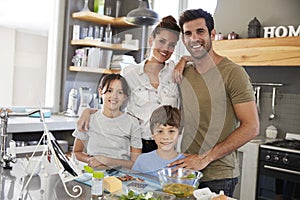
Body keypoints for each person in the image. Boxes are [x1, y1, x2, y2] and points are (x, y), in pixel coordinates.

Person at [169, 8, 260, 197]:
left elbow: (252, 127)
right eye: (188, 33)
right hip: (187, 171)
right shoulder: (184, 73)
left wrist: (204, 158)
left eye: (200, 31)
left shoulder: (233, 73)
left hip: (219, 175)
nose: (194, 38)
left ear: (212, 34)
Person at [77, 15, 182, 153]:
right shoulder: (130, 74)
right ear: (151, 40)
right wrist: (88, 111)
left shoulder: (176, 72)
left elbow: (202, 58)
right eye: (162, 41)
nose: (166, 48)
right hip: (137, 145)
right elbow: (115, 108)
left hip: (168, 146)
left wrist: (185, 59)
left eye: (172, 45)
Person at [72, 74, 142, 169]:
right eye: (109, 91)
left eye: (120, 92)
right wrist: (90, 160)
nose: (114, 96)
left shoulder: (133, 123)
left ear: (125, 97)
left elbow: (135, 163)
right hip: (93, 174)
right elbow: (77, 152)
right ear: (100, 92)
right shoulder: (89, 119)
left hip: (120, 176)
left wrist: (106, 161)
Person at [132, 105, 184, 177]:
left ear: (179, 133)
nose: (165, 137)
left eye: (171, 131)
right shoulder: (142, 161)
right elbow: (134, 185)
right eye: (160, 131)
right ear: (152, 134)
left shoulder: (186, 162)